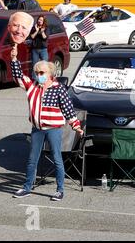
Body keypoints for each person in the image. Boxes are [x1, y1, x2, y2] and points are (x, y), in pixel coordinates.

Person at [10, 46, 84, 201]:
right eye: (37, 73)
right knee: (32, 159)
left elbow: (68, 109)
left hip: (53, 129)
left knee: (57, 158)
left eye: (42, 73)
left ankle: (60, 190)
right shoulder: (32, 86)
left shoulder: (59, 89)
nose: (39, 75)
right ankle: (27, 187)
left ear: (51, 74)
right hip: (37, 129)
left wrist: (76, 126)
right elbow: (18, 76)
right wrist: (14, 59)